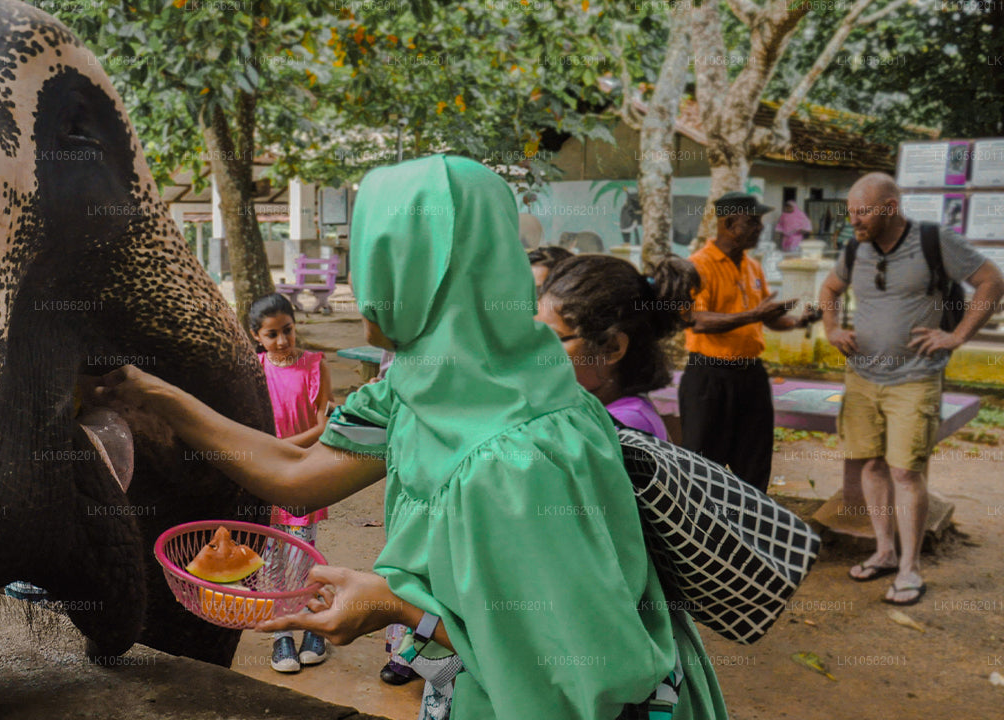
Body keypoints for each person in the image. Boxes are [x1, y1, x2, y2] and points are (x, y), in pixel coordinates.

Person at [96, 155, 722, 719]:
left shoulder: (517, 458)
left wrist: (395, 608)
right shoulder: (419, 385)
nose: (356, 272)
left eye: (368, 251)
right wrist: (151, 394)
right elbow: (294, 467)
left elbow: (582, 666)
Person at [536, 253, 729, 717]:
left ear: (614, 348)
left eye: (552, 340)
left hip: (617, 654)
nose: (532, 352)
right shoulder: (611, 415)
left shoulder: (621, 435)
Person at [819, 172, 1003, 606]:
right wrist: (831, 328)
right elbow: (829, 288)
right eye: (850, 212)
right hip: (862, 377)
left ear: (890, 207)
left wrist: (957, 336)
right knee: (870, 464)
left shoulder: (933, 241)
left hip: (914, 379)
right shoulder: (855, 249)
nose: (854, 220)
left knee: (905, 471)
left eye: (862, 212)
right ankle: (883, 551)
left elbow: (992, 281)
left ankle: (910, 569)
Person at [681, 192, 817, 492]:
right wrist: (754, 314)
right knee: (704, 465)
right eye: (753, 222)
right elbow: (697, 320)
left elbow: (765, 318)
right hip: (709, 378)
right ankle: (705, 531)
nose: (760, 229)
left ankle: (752, 529)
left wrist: (796, 320)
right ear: (730, 223)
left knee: (754, 462)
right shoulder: (697, 266)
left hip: (751, 376)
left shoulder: (753, 267)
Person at [247, 293, 334, 671]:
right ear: (257, 336)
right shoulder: (252, 370)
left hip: (304, 476)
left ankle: (314, 627)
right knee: (270, 562)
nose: (282, 341)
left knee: (302, 557)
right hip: (264, 479)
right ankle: (283, 636)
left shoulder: (315, 365)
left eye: (288, 331)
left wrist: (276, 448)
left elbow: (320, 427)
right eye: (271, 334)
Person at [536, 253, 698, 438]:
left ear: (612, 348)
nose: (538, 351)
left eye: (554, 339)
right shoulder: (593, 410)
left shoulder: (625, 425)